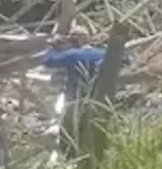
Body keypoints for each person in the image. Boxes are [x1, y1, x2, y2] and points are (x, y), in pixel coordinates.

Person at [40, 25, 128, 159]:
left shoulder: (74, 55)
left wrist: (53, 46)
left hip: (76, 102)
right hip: (100, 101)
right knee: (94, 133)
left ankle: (72, 161)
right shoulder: (102, 54)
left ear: (74, 41)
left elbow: (48, 61)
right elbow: (126, 59)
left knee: (68, 136)